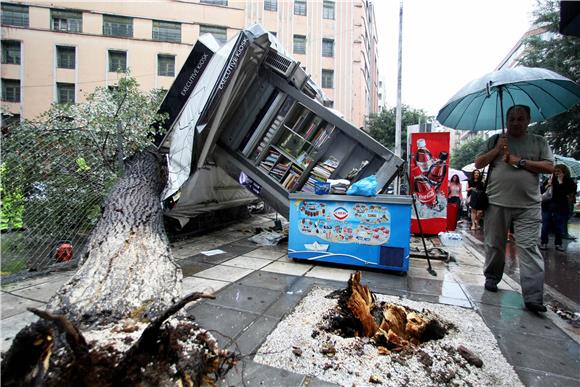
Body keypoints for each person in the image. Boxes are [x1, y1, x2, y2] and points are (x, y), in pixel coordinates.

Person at [474, 104, 554, 313]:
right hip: (496, 203)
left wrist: (520, 161)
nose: (516, 122)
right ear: (507, 120)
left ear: (528, 120)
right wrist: (497, 150)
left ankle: (534, 297)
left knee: (529, 248)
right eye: (512, 118)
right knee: (495, 244)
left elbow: (549, 167)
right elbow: (478, 163)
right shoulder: (496, 140)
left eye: (520, 118)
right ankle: (492, 277)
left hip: (529, 205)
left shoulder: (539, 142)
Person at [540, 164, 577, 251]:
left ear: (564, 172)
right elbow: (541, 190)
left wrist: (560, 182)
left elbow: (566, 193)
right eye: (555, 171)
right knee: (545, 225)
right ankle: (544, 242)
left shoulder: (569, 181)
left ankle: (558, 244)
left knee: (559, 226)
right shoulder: (550, 179)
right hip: (547, 206)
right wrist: (547, 185)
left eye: (558, 171)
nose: (556, 173)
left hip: (560, 207)